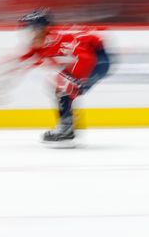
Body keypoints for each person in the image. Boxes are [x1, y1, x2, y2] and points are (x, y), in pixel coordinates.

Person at [16, 9, 111, 145]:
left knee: (63, 86)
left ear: (43, 29)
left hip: (98, 60)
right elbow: (27, 56)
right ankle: (67, 127)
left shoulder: (57, 40)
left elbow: (86, 58)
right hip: (90, 56)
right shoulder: (44, 40)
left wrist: (76, 80)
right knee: (61, 86)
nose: (30, 35)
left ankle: (66, 128)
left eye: (32, 30)